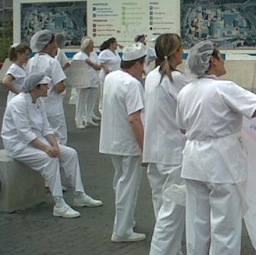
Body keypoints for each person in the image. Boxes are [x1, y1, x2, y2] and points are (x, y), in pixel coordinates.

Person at [177, 41, 256, 255]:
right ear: (212, 60)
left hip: (193, 160)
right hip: (221, 160)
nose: (224, 61)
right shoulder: (223, 88)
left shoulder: (186, 91)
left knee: (197, 222)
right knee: (225, 224)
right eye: (221, 56)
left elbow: (182, 128)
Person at [1, 73, 102, 219]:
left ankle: (79, 195)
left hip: (36, 141)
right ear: (36, 88)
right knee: (50, 159)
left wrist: (55, 146)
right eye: (45, 85)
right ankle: (59, 204)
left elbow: (47, 128)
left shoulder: (38, 102)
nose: (48, 87)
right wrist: (47, 148)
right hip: (17, 145)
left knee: (71, 153)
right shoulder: (18, 103)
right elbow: (24, 133)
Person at [143, 33, 188, 255]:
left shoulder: (151, 76)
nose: (183, 52)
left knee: (162, 208)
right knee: (171, 213)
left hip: (154, 151)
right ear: (173, 52)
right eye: (180, 48)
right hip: (173, 153)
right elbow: (193, 108)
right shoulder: (176, 79)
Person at [99, 43, 147, 243]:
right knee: (128, 184)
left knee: (120, 182)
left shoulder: (112, 77)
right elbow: (134, 119)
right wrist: (145, 148)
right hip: (128, 142)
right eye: (142, 65)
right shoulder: (132, 84)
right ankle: (122, 230)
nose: (143, 70)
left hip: (112, 139)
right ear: (136, 64)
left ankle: (125, 220)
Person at [27, 30, 68, 145]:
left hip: (37, 105)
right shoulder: (52, 62)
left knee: (42, 137)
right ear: (47, 45)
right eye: (54, 42)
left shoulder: (31, 61)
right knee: (59, 139)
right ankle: (58, 161)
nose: (56, 46)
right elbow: (60, 87)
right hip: (53, 106)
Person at [71, 37, 102, 129]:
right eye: (91, 45)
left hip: (94, 81)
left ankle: (88, 119)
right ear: (87, 46)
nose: (93, 46)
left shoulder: (94, 55)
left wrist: (91, 63)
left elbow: (99, 67)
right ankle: (79, 120)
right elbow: (76, 70)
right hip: (83, 82)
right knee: (81, 102)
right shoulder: (78, 56)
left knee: (91, 102)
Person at [98, 37, 122, 117]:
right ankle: (102, 110)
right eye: (115, 43)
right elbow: (100, 61)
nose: (117, 45)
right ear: (111, 44)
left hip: (115, 76)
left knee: (112, 93)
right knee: (104, 93)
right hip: (106, 76)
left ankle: (110, 110)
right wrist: (106, 68)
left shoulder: (116, 53)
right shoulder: (105, 52)